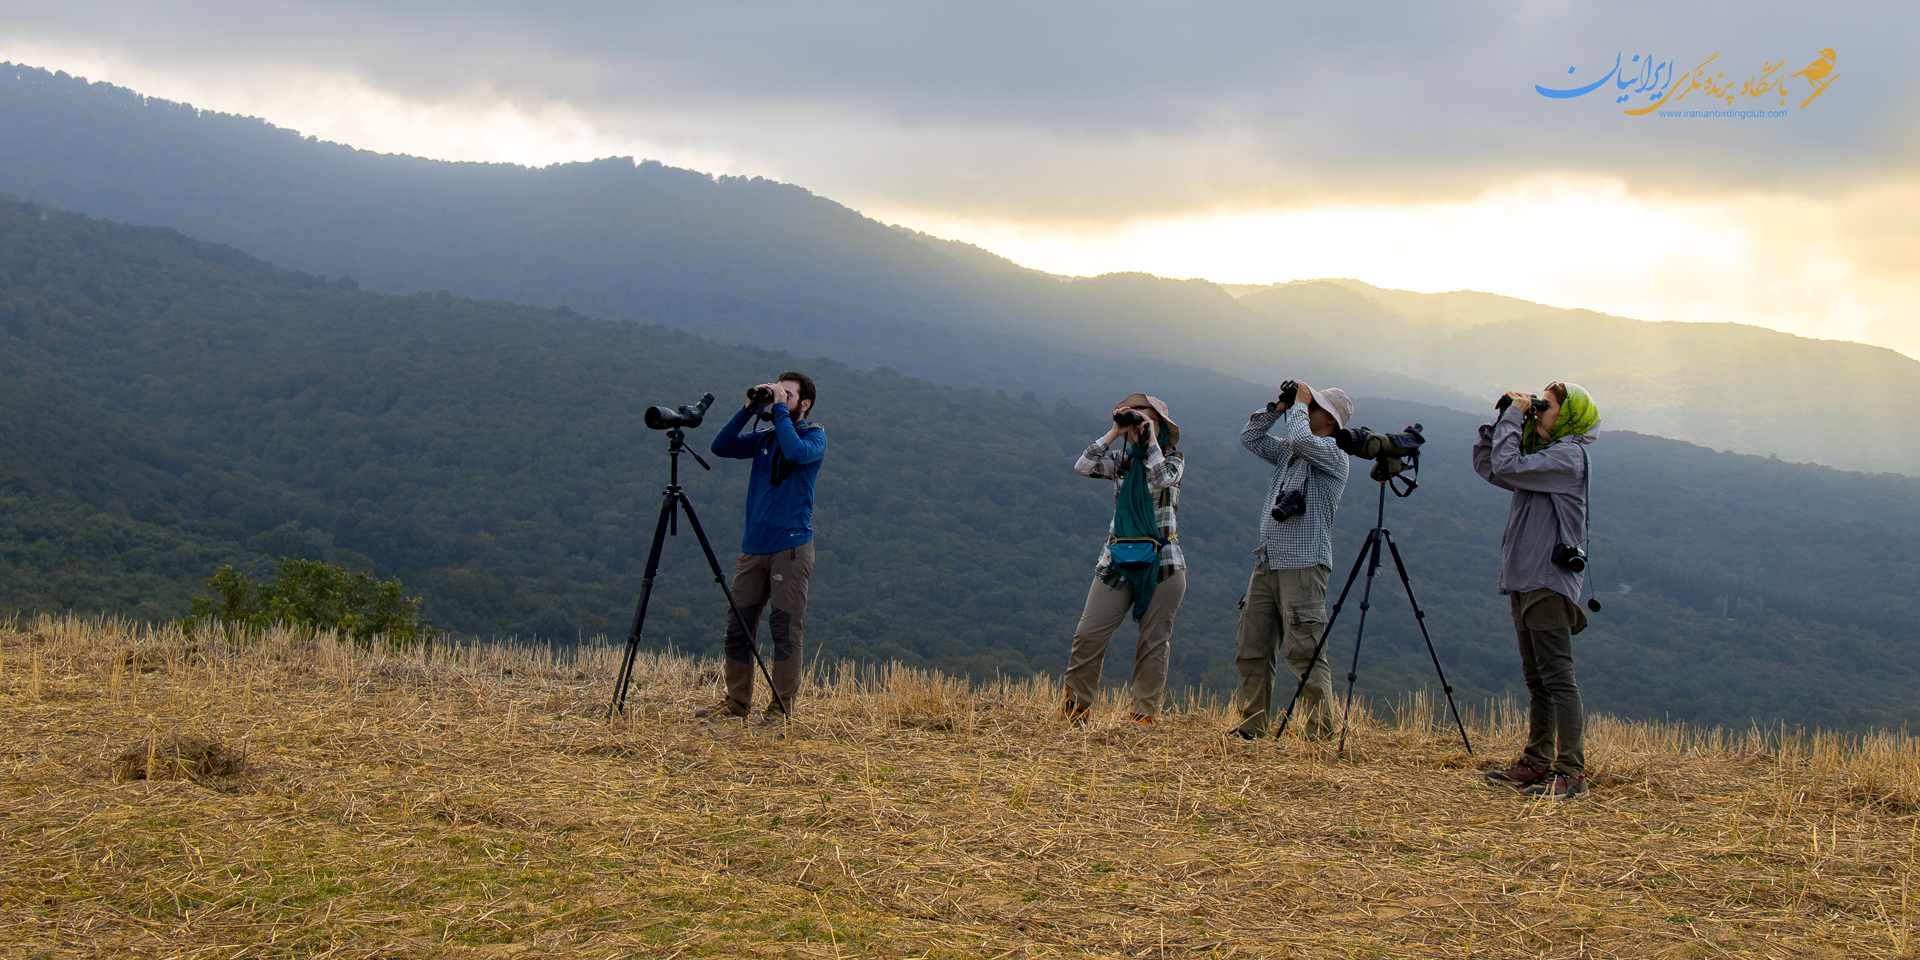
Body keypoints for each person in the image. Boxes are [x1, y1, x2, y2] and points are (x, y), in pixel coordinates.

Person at [1472, 382, 1600, 800]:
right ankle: (1537, 760)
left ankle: (1570, 772)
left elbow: (1508, 467)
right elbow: (1492, 468)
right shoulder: (1546, 457)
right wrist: (1501, 420)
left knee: (1557, 677)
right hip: (1526, 577)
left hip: (1547, 579)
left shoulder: (1568, 457)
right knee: (1537, 679)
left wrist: (1513, 417)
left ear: (1566, 416)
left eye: (1546, 406)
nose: (1538, 410)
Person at [699, 371, 827, 725]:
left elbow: (797, 453)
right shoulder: (765, 438)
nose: (777, 398)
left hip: (791, 548)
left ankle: (780, 710)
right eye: (776, 391)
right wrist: (747, 409)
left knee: (784, 630)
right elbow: (721, 447)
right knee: (738, 627)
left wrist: (781, 412)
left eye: (786, 394)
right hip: (753, 549)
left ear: (805, 404)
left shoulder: (813, 435)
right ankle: (737, 702)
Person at [1230, 380, 1354, 741]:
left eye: (1313, 407)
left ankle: (1319, 734)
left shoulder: (1334, 456)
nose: (1306, 410)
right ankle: (1252, 725)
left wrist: (1300, 402)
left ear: (1329, 421)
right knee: (1253, 646)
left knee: (1304, 652)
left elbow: (1302, 439)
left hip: (1303, 565)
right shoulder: (1291, 453)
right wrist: (1278, 408)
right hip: (1268, 561)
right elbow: (1250, 438)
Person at [1057, 393, 1187, 729]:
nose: (1138, 422)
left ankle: (1142, 715)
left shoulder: (1173, 459)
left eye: (1145, 416)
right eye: (1135, 416)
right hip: (1117, 559)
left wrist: (1152, 439)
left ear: (1159, 424)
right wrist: (1114, 432)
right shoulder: (1121, 460)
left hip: (1163, 562)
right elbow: (1083, 466)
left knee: (1152, 643)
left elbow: (1160, 479)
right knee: (1088, 634)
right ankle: (1075, 708)